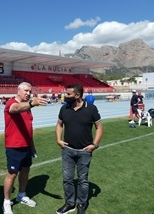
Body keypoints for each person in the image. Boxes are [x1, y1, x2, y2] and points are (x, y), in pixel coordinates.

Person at [55, 83, 103, 214]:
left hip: (84, 152)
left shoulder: (91, 109)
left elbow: (99, 127)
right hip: (68, 150)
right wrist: (58, 140)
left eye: (68, 94)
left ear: (77, 95)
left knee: (82, 180)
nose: (66, 96)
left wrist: (95, 144)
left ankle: (82, 204)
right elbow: (59, 125)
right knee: (67, 179)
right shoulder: (64, 109)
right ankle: (70, 203)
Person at [3, 82, 48, 214]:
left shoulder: (27, 108)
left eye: (30, 91)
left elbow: (29, 128)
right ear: (19, 91)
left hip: (26, 146)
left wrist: (32, 145)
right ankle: (6, 202)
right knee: (12, 174)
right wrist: (31, 103)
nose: (28, 93)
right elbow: (15, 108)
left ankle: (21, 195)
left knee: (25, 171)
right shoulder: (11, 103)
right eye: (26, 91)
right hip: (14, 146)